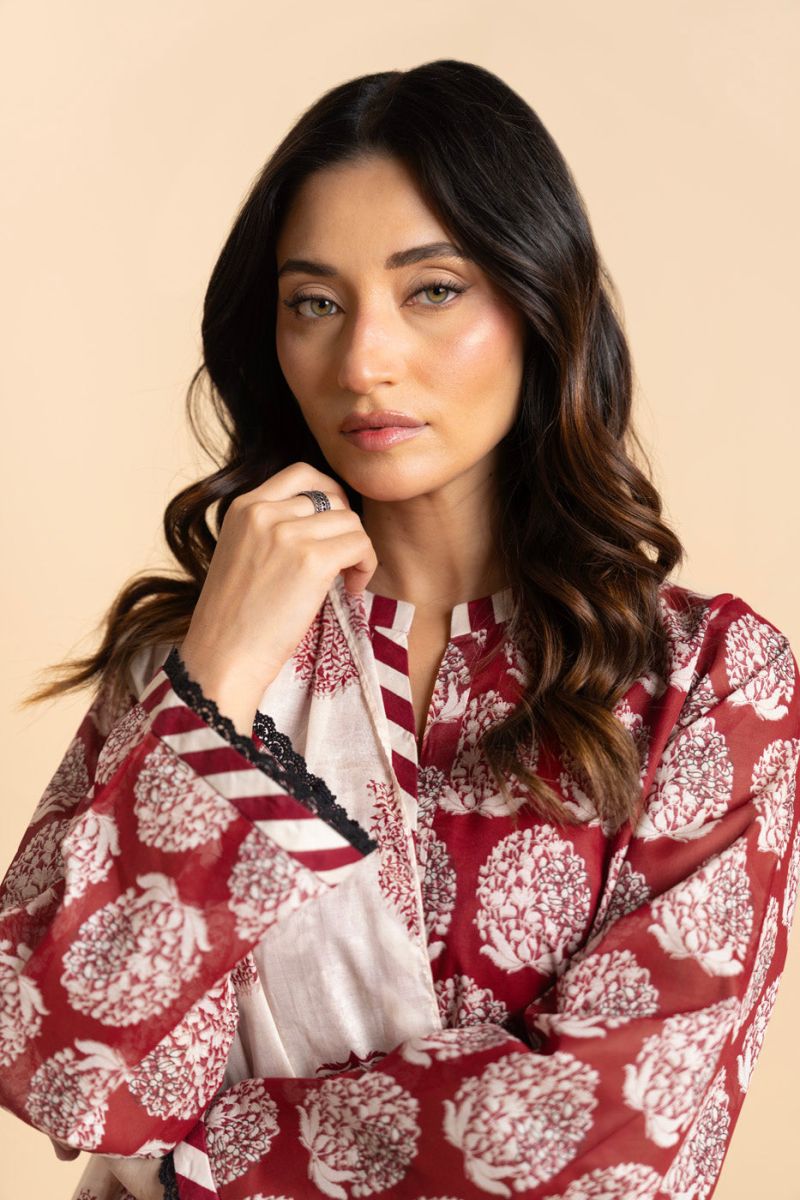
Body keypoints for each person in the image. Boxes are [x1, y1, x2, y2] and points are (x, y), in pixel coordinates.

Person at [1, 58, 798, 1200]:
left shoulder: (703, 684)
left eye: (431, 290)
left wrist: (192, 1163)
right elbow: (64, 1072)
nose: (364, 361)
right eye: (315, 303)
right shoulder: (187, 667)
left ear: (536, 301)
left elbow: (615, 1152)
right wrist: (220, 674)